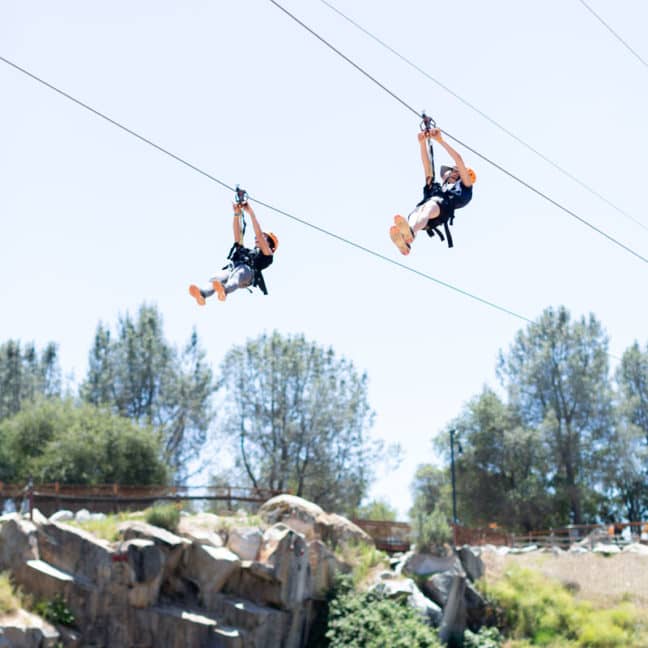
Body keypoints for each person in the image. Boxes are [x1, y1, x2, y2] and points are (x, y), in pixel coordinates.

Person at [389, 127, 475, 254]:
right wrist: (422, 143)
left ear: (458, 174)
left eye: (451, 171)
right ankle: (407, 239)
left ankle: (411, 232)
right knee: (416, 212)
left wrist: (440, 141)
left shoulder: (466, 186)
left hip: (442, 209)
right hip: (430, 219)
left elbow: (458, 159)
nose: (446, 173)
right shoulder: (437, 189)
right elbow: (427, 166)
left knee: (429, 206)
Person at [189, 201, 278, 304]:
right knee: (218, 277)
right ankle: (202, 294)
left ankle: (224, 291)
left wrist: (251, 213)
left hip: (247, 274)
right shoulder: (248, 253)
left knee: (239, 273)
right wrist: (236, 214)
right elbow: (238, 237)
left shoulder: (267, 256)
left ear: (271, 247)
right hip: (234, 267)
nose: (259, 238)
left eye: (265, 237)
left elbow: (258, 235)